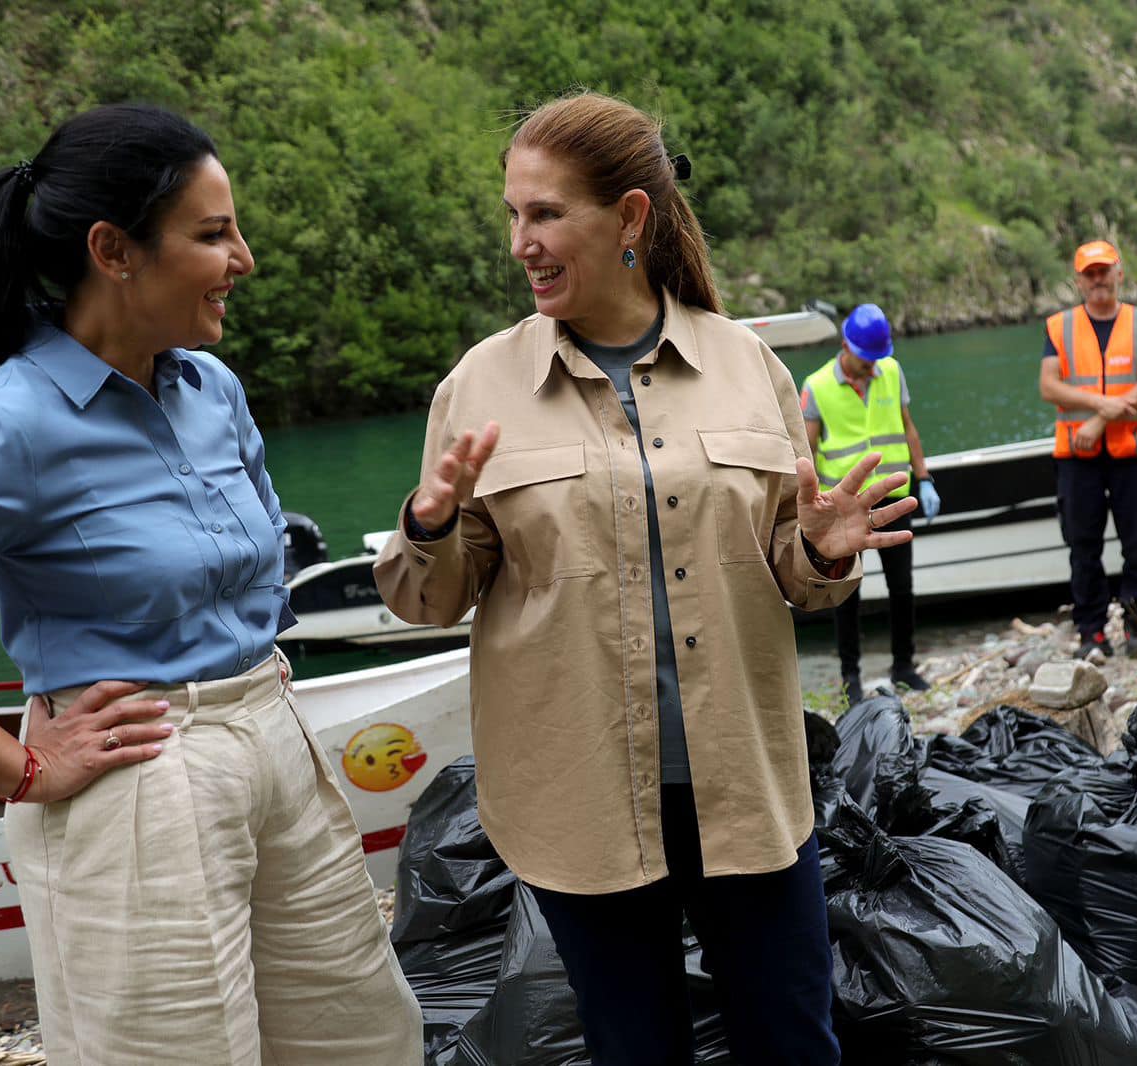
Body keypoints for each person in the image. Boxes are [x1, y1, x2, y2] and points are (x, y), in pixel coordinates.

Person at [0, 105, 421, 1064]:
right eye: (213, 235)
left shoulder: (215, 390)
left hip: (275, 740)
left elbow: (258, 571)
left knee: (362, 1039)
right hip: (141, 779)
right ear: (113, 252)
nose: (243, 257)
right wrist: (20, 768)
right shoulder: (7, 424)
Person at [374, 90, 916, 1065]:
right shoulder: (478, 386)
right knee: (635, 1051)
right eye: (512, 215)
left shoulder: (746, 364)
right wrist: (429, 524)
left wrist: (826, 547)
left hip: (745, 783)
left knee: (795, 1042)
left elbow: (800, 580)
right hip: (577, 796)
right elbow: (434, 597)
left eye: (544, 214)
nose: (520, 243)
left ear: (628, 217)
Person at [801, 303, 939, 698]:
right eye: (867, 358)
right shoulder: (817, 386)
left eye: (879, 357)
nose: (872, 365)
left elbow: (908, 427)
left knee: (902, 588)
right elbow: (806, 449)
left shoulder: (891, 371)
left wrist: (924, 477)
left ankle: (904, 666)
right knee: (845, 595)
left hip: (894, 499)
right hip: (844, 510)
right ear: (846, 344)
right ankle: (851, 680)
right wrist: (813, 504)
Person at [1038, 240, 1137, 659]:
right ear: (1078, 280)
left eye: (1104, 271)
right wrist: (1100, 404)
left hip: (1133, 453)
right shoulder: (1059, 326)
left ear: (1119, 273)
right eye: (1089, 273)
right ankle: (1091, 631)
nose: (1098, 279)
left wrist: (1100, 420)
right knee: (1083, 545)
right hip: (1078, 459)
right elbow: (1048, 385)